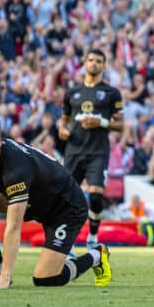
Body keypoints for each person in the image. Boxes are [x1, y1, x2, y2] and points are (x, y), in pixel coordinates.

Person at [0, 114, 111, 288]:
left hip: (65, 208)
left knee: (46, 279)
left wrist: (6, 277)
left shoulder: (15, 166)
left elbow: (14, 226)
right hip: (35, 202)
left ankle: (97, 255)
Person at [57, 49, 124, 249]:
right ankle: (67, 243)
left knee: (95, 196)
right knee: (67, 199)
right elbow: (64, 121)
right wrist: (62, 130)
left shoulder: (112, 93)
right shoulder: (72, 93)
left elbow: (120, 125)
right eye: (91, 60)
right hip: (74, 152)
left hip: (97, 152)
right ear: (84, 63)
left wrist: (100, 122)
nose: (94, 63)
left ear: (103, 66)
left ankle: (93, 237)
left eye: (98, 61)